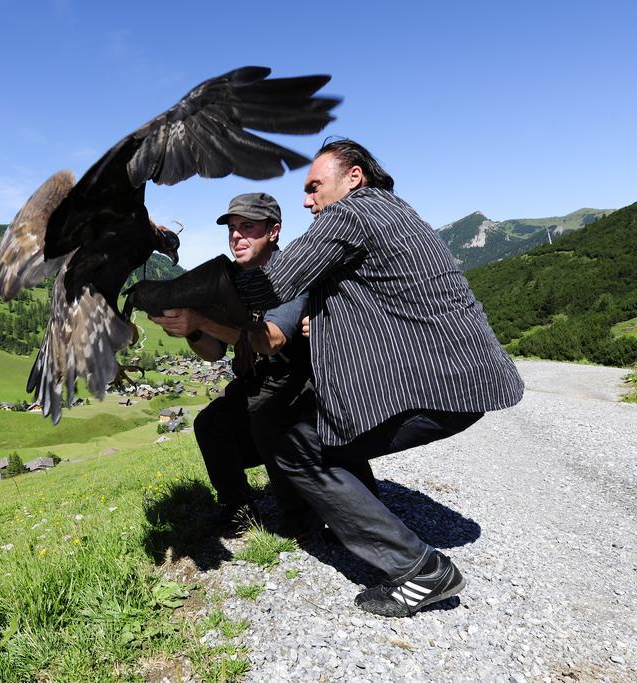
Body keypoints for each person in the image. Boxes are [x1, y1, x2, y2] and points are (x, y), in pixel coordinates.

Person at [126, 139, 524, 617]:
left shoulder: (350, 215)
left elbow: (269, 286)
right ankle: (351, 515)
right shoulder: (394, 211)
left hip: (437, 381)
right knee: (325, 434)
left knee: (298, 443)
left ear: (353, 177)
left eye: (314, 187)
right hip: (462, 377)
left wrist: (156, 293)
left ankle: (418, 568)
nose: (307, 200)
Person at [149, 192, 376, 530]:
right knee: (211, 424)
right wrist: (189, 329)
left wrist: (202, 322)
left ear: (274, 231)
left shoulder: (291, 272)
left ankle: (318, 510)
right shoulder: (230, 281)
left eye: (248, 227)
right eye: (232, 228)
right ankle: (238, 508)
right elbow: (214, 352)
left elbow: (271, 340)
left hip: (302, 389)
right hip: (257, 385)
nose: (237, 235)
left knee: (270, 425)